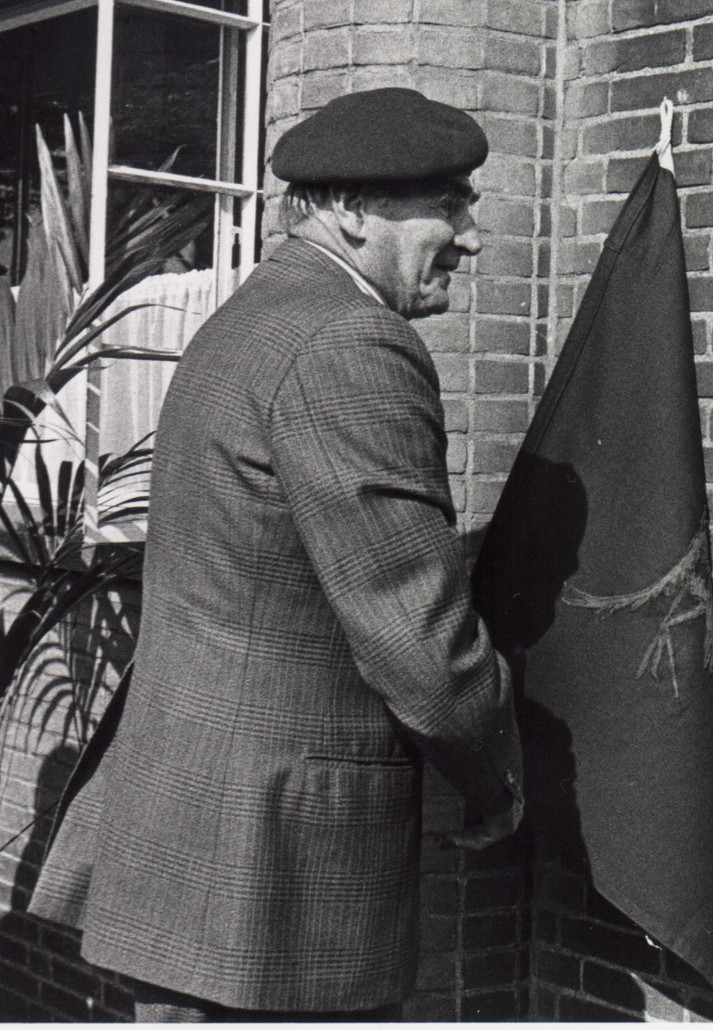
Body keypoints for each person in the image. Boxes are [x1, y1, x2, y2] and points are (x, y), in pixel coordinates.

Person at [28, 88, 523, 1021]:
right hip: (273, 888)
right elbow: (415, 634)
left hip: (193, 846)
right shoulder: (351, 342)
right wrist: (493, 768)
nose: (471, 236)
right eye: (450, 203)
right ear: (350, 209)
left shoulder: (249, 319)